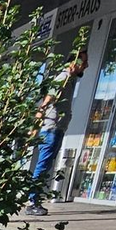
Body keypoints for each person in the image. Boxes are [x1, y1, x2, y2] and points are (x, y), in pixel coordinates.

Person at [26, 47, 89, 215]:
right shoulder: (64, 77)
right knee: (43, 165)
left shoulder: (70, 78)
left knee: (45, 165)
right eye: (84, 62)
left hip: (57, 129)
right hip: (51, 129)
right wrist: (39, 116)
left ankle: (34, 199)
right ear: (74, 62)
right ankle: (33, 202)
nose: (86, 65)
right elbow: (49, 97)